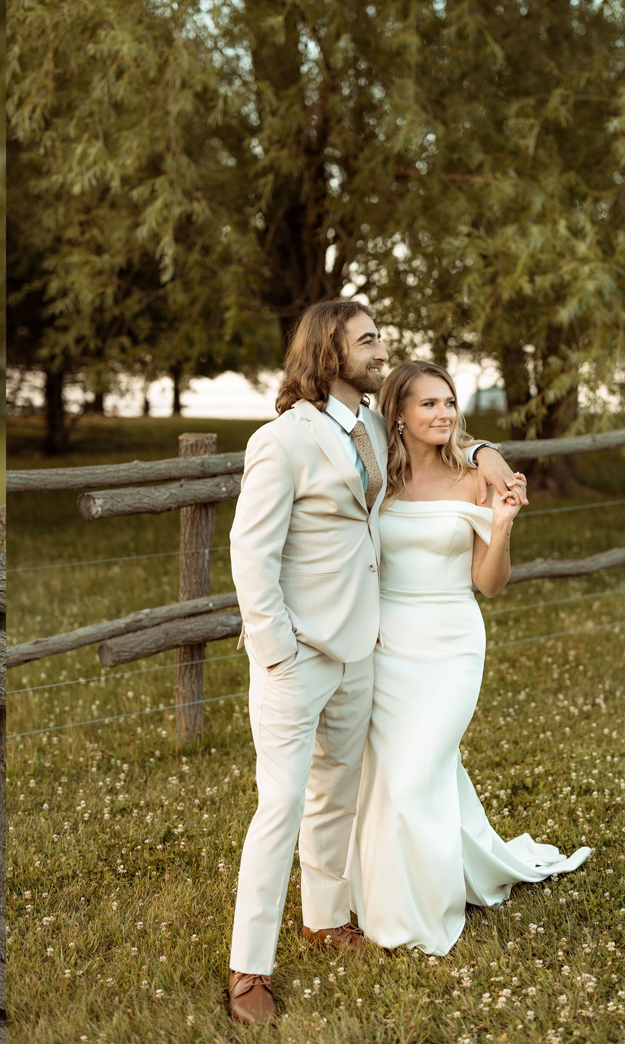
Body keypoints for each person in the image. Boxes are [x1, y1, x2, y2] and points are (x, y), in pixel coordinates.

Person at [225, 301, 519, 1026]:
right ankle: (247, 969)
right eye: (367, 340)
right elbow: (249, 555)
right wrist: (277, 652)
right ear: (330, 351)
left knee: (335, 795)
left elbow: (444, 438)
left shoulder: (370, 432)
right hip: (297, 658)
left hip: (366, 652)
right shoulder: (281, 441)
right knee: (279, 806)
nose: (379, 349)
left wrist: (484, 454)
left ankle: (327, 920)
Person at [346, 361, 590, 955]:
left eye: (449, 402)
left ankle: (421, 916)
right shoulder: (375, 478)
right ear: (397, 414)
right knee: (389, 776)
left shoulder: (476, 479)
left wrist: (501, 527)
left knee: (416, 771)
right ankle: (378, 895)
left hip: (452, 641)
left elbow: (489, 583)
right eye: (428, 404)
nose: (443, 414)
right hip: (387, 641)